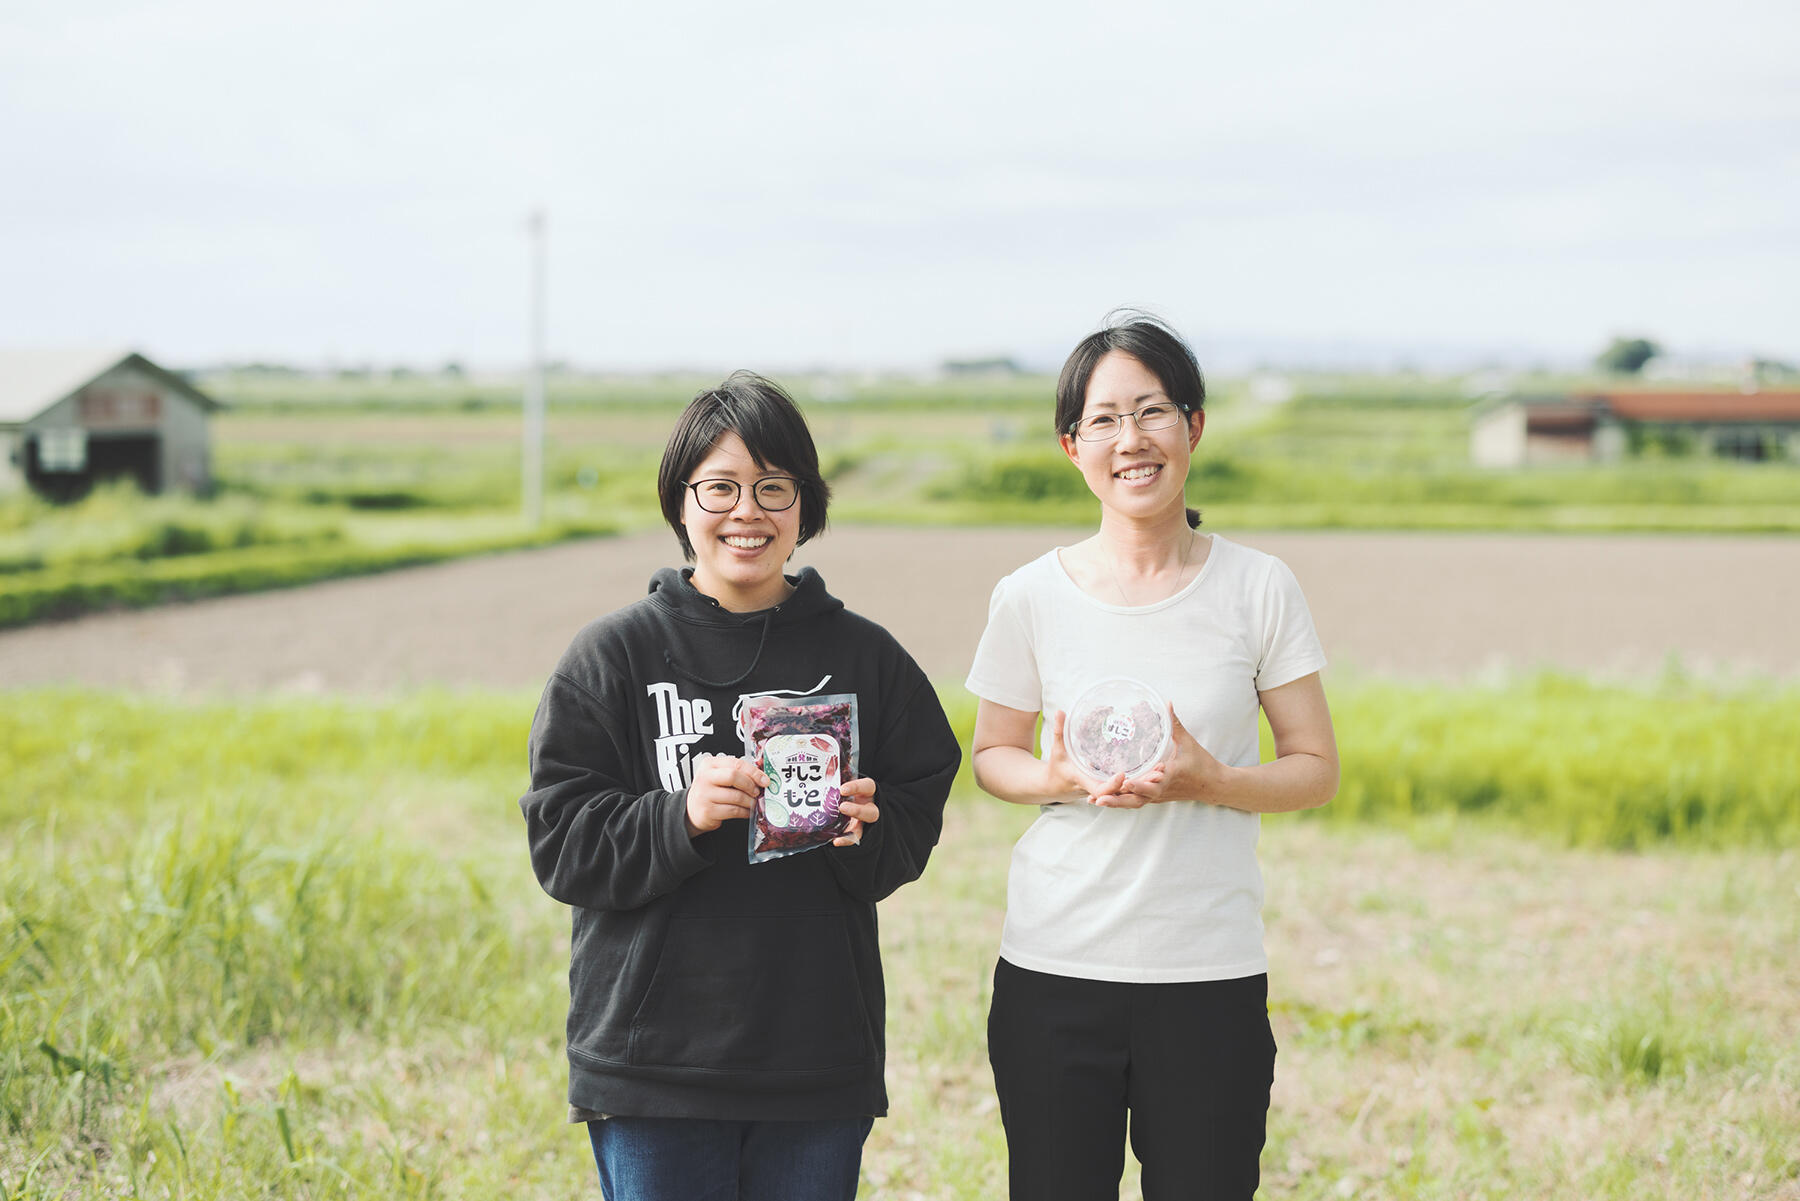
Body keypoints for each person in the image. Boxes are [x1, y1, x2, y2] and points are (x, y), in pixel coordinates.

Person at [520, 371, 961, 1201]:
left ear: (806, 504)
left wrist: (868, 828)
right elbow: (560, 841)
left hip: (816, 1055)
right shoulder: (612, 657)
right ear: (681, 502)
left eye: (772, 487)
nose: (746, 511)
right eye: (719, 486)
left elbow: (917, 808)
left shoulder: (868, 659)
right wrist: (676, 815)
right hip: (651, 1062)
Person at [964, 313, 1339, 1201]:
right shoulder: (1030, 597)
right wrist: (1057, 777)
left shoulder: (1258, 586)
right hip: (1054, 971)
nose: (1130, 439)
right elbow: (992, 755)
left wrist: (1211, 779)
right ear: (1072, 445)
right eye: (1103, 419)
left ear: (1193, 425)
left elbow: (1316, 766)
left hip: (1206, 972)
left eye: (1152, 411)